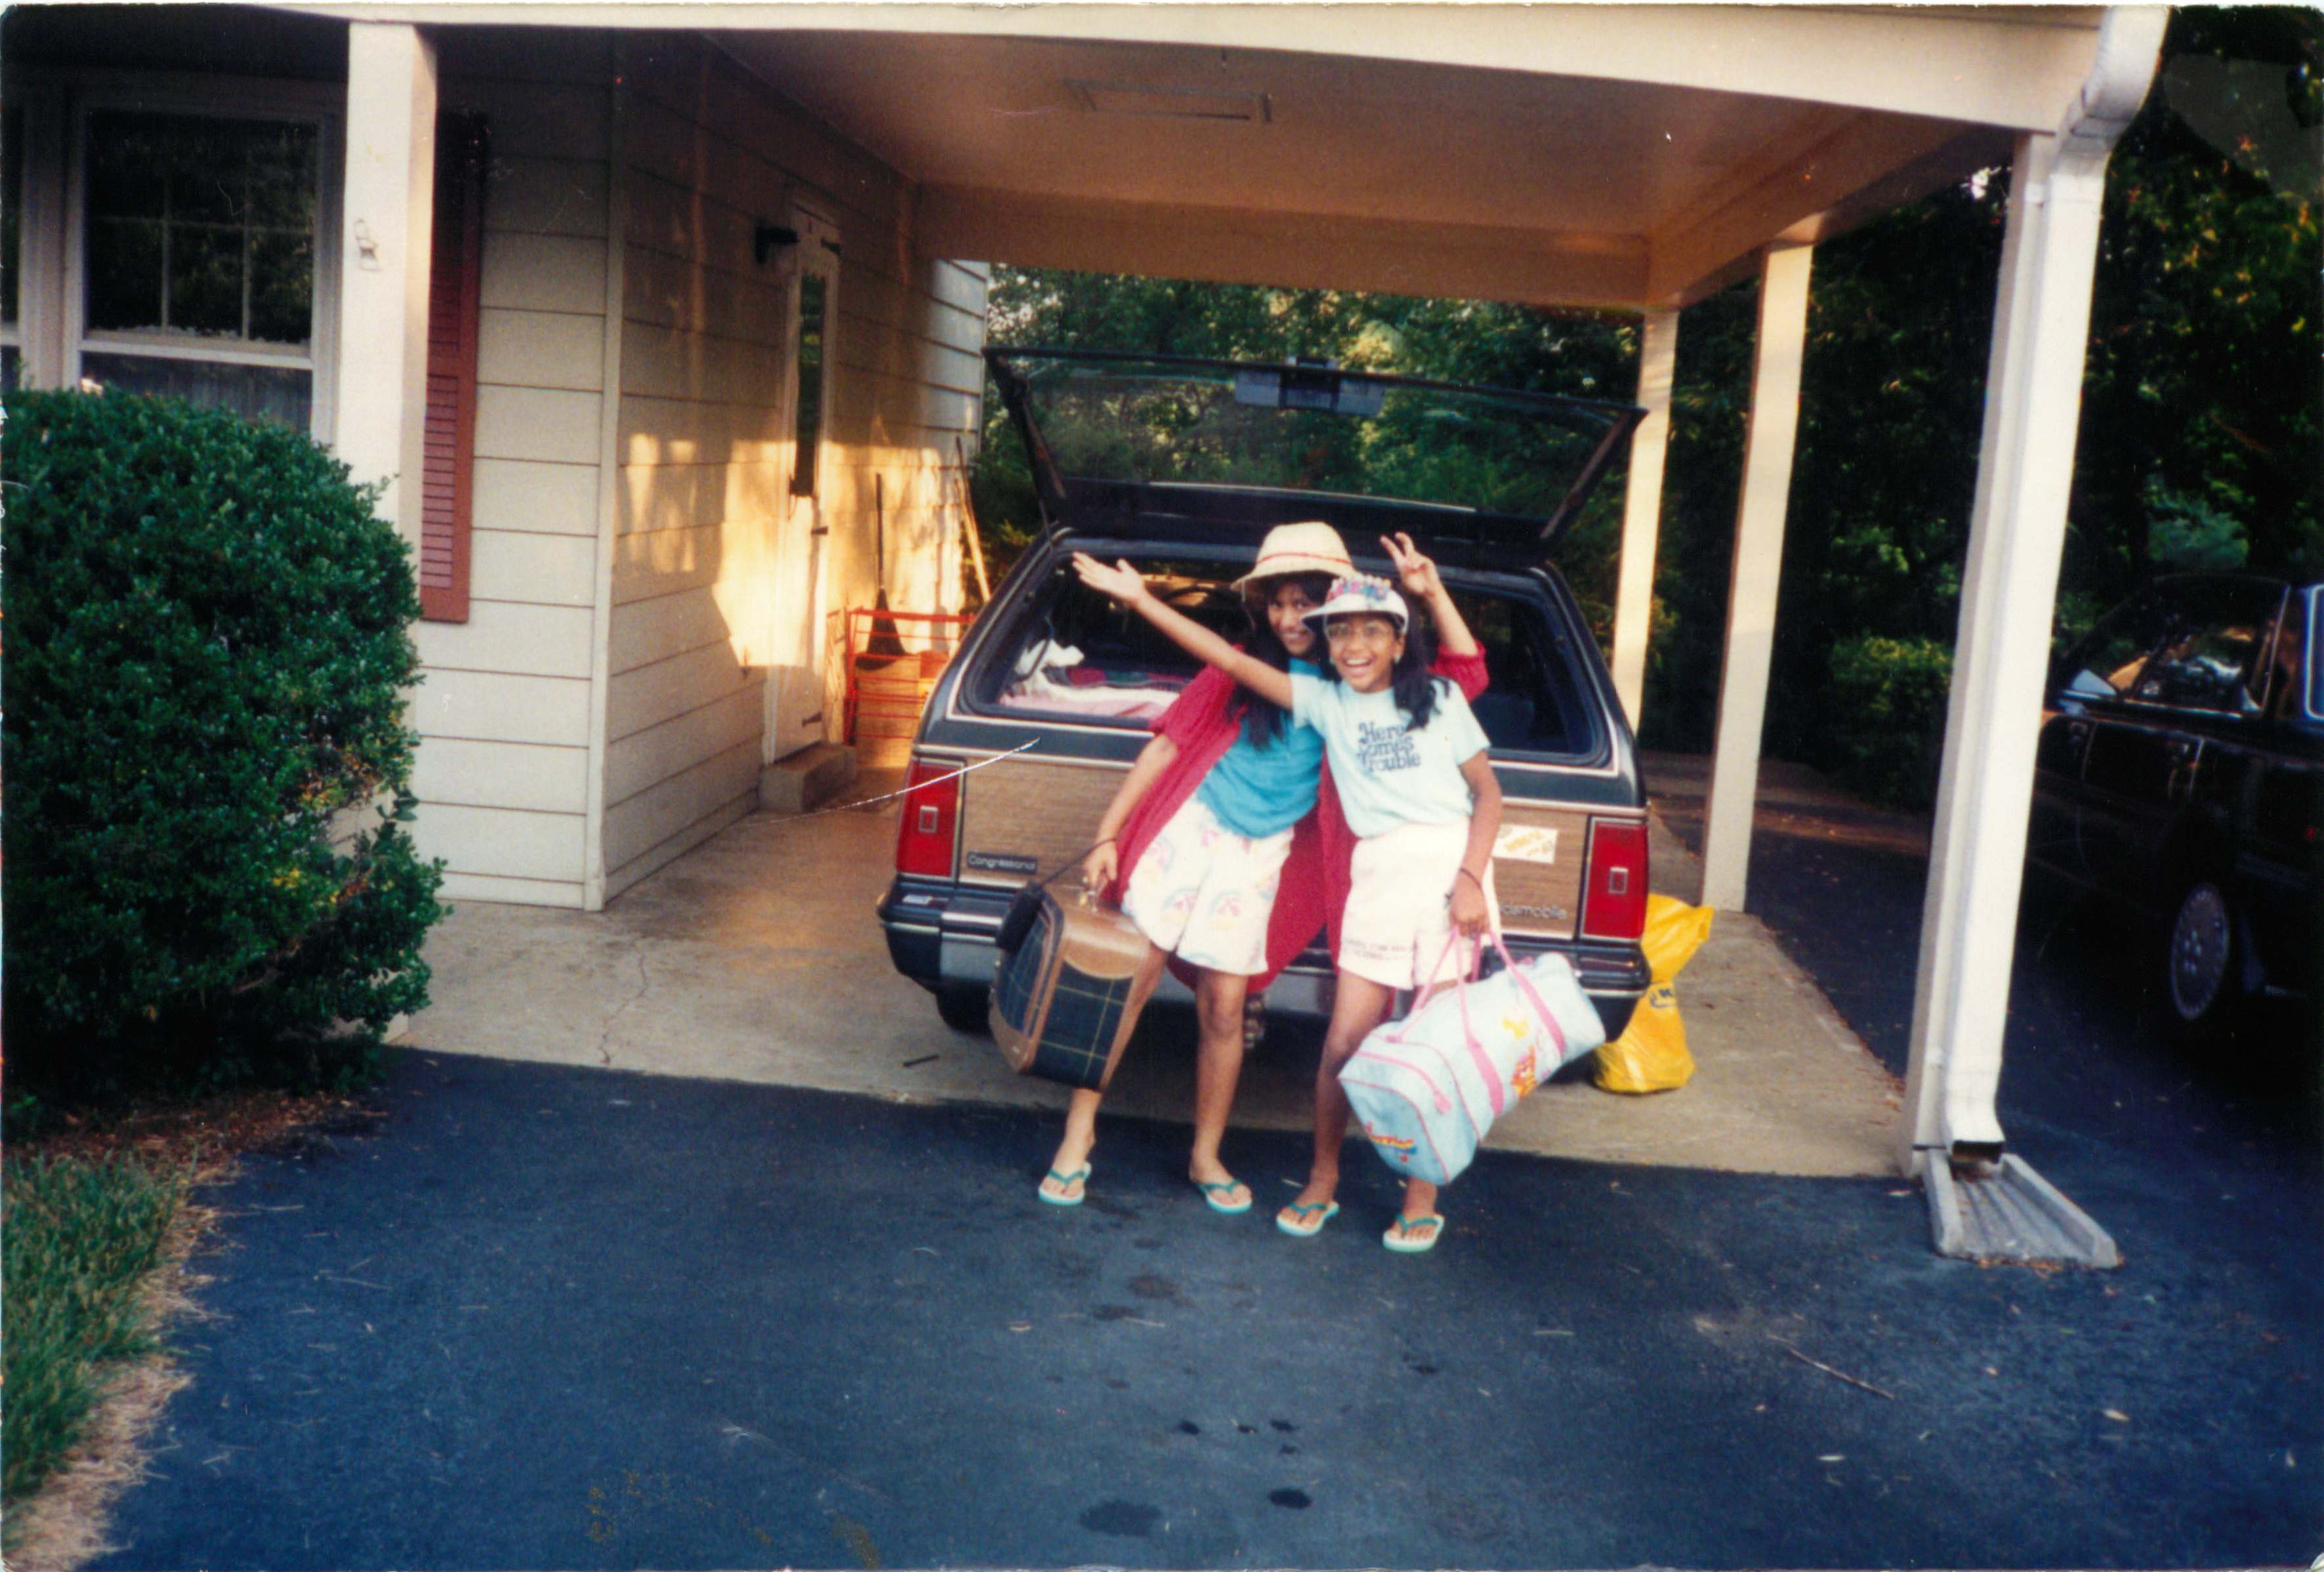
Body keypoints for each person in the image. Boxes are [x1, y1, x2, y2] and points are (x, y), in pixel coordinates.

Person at [1037, 522, 1487, 1217]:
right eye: (1276, 603)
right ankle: (1077, 1135)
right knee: (1128, 984)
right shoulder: (1246, 669)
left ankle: (1205, 1155)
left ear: (1333, 607)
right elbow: (1166, 746)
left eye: (1304, 602)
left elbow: (1463, 677)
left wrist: (1430, 593)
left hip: (1260, 856)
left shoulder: (1356, 688)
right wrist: (1108, 834)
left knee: (1225, 1007)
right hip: (1190, 832)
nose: (1288, 618)